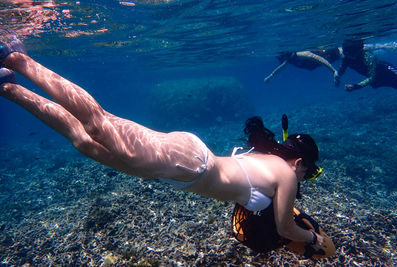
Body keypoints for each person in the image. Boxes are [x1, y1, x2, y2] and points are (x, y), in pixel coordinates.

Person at [0, 37, 325, 251]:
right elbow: (285, 226)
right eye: (308, 175)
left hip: (180, 172)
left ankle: (10, 89)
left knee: (84, 142)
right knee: (99, 124)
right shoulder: (284, 174)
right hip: (191, 161)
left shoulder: (272, 164)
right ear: (299, 163)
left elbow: (271, 217)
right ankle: (18, 59)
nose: (303, 182)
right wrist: (313, 238)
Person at [264, 49, 342, 86]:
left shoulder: (299, 54)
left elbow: (319, 59)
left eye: (280, 57)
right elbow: (281, 68)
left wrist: (334, 71)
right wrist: (270, 76)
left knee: (340, 53)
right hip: (320, 62)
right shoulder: (289, 59)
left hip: (328, 55)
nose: (280, 60)